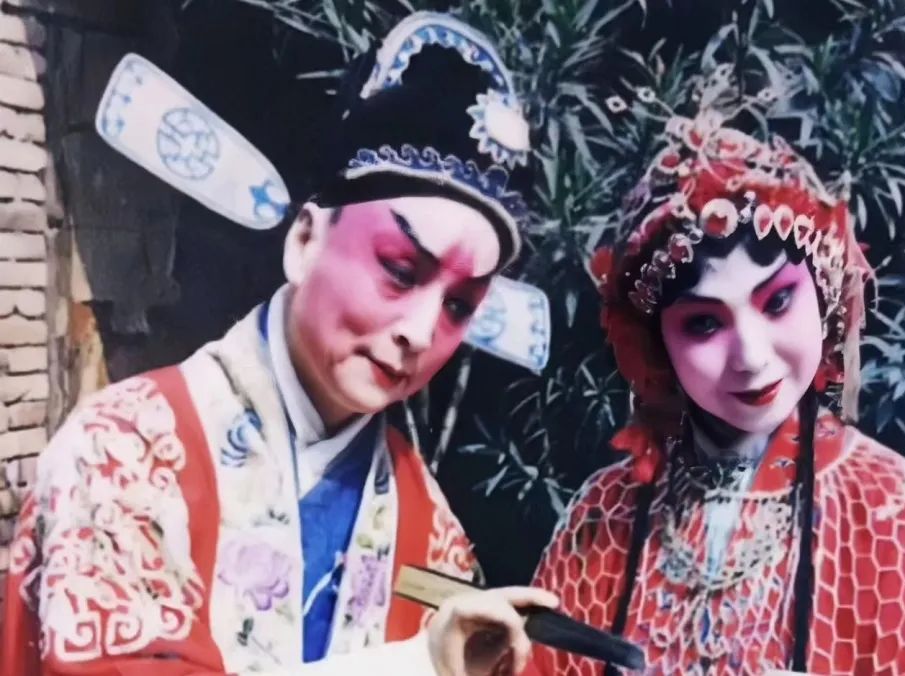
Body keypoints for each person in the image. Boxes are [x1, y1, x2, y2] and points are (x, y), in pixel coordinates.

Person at [2, 12, 555, 676]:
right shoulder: (122, 451)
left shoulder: (423, 519)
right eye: (400, 270)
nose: (419, 330)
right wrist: (414, 666)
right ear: (305, 240)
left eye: (459, 306)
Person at [528, 91, 905, 674]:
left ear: (823, 297)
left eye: (776, 302)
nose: (750, 357)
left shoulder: (896, 512)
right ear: (656, 345)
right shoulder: (605, 512)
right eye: (703, 324)